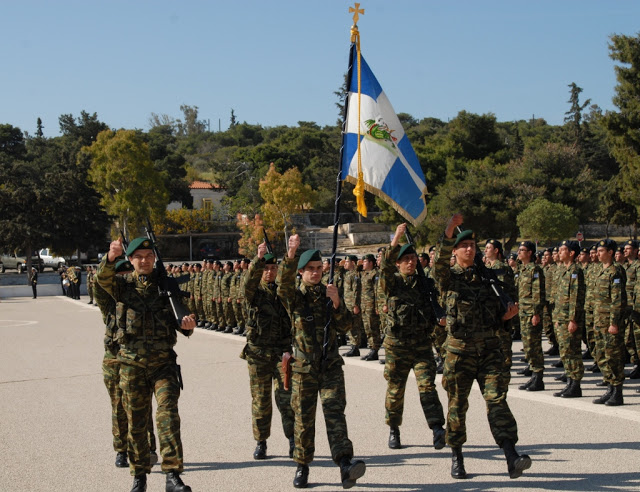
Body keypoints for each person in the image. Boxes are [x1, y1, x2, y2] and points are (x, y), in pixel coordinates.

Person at [433, 214, 531, 480]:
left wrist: (507, 317)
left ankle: (511, 456)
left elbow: (497, 317)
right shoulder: (449, 279)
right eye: (464, 246)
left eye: (473, 246)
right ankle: (457, 456)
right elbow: (438, 268)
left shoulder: (488, 280)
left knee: (497, 400)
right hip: (459, 351)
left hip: (489, 351)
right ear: (455, 251)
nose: (469, 249)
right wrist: (449, 232)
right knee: (457, 406)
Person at [96, 237, 196, 492]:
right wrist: (110, 258)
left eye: (148, 256)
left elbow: (183, 319)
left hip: (163, 364)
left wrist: (188, 325)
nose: (144, 260)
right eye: (138, 256)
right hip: (131, 365)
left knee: (168, 416)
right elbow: (102, 280)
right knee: (137, 422)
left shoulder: (167, 285)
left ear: (154, 258)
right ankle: (139, 476)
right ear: (130, 260)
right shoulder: (122, 286)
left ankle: (172, 475)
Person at [277, 235, 366, 489]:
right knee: (304, 419)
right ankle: (302, 466)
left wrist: (337, 303)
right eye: (310, 270)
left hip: (330, 367)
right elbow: (283, 286)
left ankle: (345, 464)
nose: (316, 273)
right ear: (302, 272)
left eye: (319, 268)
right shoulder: (295, 297)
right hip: (304, 370)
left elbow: (347, 325)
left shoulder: (330, 294)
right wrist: (291, 255)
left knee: (335, 414)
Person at [378, 224, 446, 452]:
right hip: (397, 347)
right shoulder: (393, 283)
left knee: (428, 387)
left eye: (412, 258)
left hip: (421, 346)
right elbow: (384, 269)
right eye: (405, 259)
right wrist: (395, 238)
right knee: (396, 390)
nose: (410, 262)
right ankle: (394, 428)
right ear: (398, 263)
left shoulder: (425, 284)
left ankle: (437, 428)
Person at [94, 259, 158, 470]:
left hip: (135, 359)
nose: (122, 278)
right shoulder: (108, 300)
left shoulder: (136, 296)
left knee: (143, 406)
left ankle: (148, 447)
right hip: (114, 360)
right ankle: (121, 449)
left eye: (125, 274)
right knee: (119, 406)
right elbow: (99, 282)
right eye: (118, 275)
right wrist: (110, 260)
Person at [240, 243, 294, 460]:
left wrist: (290, 255)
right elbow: (247, 283)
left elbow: (290, 281)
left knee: (287, 399)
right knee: (261, 401)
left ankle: (293, 439)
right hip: (258, 354)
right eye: (266, 269)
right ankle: (261, 441)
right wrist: (258, 259)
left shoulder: (283, 292)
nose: (269, 272)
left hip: (283, 354)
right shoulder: (253, 293)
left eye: (273, 268)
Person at [591, 239, 626, 406]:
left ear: (610, 252)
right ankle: (610, 388)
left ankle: (617, 391)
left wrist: (614, 323)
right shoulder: (599, 271)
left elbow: (617, 300)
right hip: (599, 321)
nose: (598, 253)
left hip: (610, 323)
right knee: (601, 355)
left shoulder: (615, 271)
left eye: (601, 250)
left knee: (614, 357)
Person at [552, 240, 586, 398]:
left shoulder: (575, 271)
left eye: (563, 249)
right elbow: (559, 296)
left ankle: (576, 384)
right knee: (565, 351)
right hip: (561, 317)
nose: (559, 252)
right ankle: (570, 381)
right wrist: (557, 317)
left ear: (572, 253)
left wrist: (573, 319)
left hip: (571, 318)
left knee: (573, 350)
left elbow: (576, 298)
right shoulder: (562, 270)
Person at [517, 240, 546, 391]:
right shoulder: (523, 269)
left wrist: (536, 313)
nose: (519, 252)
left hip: (531, 313)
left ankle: (538, 376)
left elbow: (537, 293)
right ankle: (533, 373)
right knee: (527, 345)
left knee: (534, 345)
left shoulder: (535, 270)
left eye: (522, 250)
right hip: (523, 312)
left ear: (529, 253)